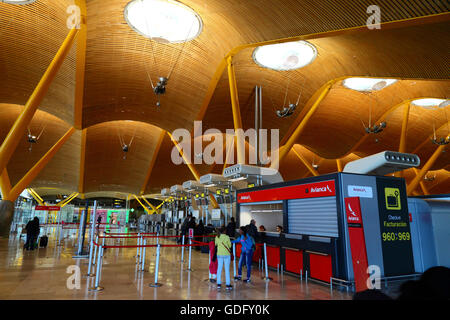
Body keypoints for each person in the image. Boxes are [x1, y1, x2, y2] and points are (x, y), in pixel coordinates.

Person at [214, 226, 233, 290]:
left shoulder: (217, 237)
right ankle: (228, 285)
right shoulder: (227, 237)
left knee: (219, 269)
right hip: (226, 255)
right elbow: (230, 245)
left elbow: (215, 244)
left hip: (219, 254)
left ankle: (218, 284)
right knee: (227, 269)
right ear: (224, 231)